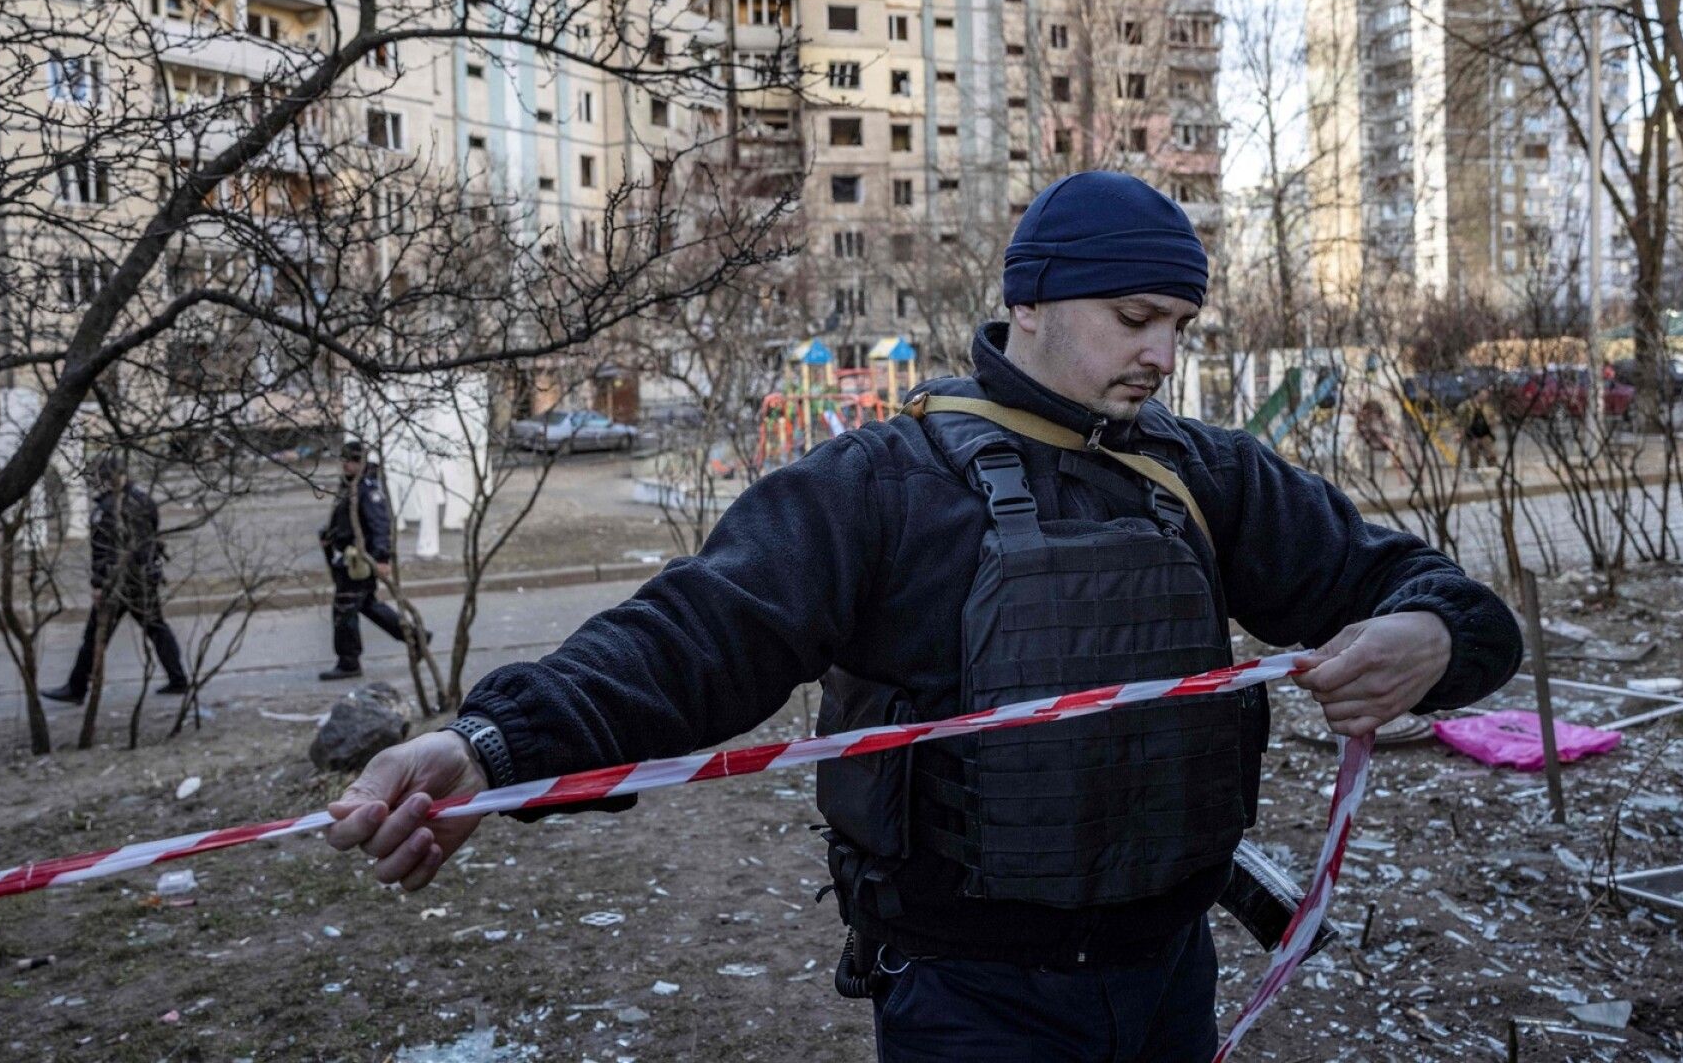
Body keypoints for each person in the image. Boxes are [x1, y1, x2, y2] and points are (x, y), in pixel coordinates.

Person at [324, 171, 1523, 1062]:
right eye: (1135, 316)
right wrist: (490, 745)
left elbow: (1447, 600)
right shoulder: (884, 483)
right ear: (1032, 301)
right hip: (971, 999)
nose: (1163, 352)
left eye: (1181, 325)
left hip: (1170, 974)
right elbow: (692, 638)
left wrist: (1433, 638)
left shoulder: (1205, 475)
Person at [41, 454, 189, 702]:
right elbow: (151, 535)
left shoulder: (107, 509)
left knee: (95, 636)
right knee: (156, 628)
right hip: (143, 577)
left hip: (118, 582)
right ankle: (178, 679)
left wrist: (99, 585)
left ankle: (77, 687)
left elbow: (103, 552)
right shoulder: (143, 501)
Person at [318, 439, 425, 681]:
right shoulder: (350, 485)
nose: (346, 464)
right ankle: (416, 638)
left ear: (361, 462)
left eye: (352, 460)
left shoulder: (367, 489)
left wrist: (382, 557)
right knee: (367, 605)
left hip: (359, 561)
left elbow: (379, 524)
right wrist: (330, 535)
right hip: (347, 558)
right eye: (344, 459)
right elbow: (345, 518)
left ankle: (349, 662)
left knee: (345, 608)